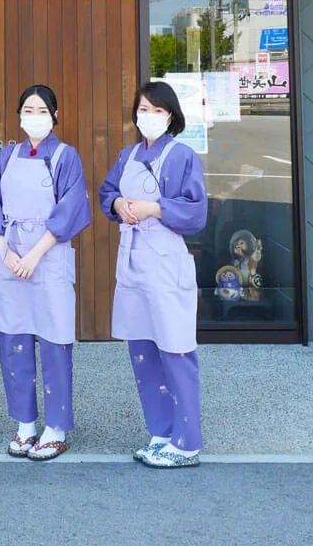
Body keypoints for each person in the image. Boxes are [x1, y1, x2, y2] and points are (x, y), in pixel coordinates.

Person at [98, 80, 208, 468]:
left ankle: (187, 442)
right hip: (133, 262)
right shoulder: (127, 155)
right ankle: (160, 433)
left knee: (175, 348)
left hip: (165, 263)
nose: (149, 116)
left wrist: (153, 208)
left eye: (157, 110)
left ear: (171, 116)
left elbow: (195, 211)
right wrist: (117, 204)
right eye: (143, 109)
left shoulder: (182, 156)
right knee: (142, 349)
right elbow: (107, 192)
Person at [0, 84, 90, 461]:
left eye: (43, 111)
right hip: (9, 257)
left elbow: (70, 211)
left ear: (55, 116)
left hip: (48, 257)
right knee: (13, 341)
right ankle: (25, 423)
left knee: (55, 341)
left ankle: (56, 427)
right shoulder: (7, 156)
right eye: (29, 110)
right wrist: (5, 251)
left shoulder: (65, 157)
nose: (35, 117)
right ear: (19, 115)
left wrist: (34, 255)